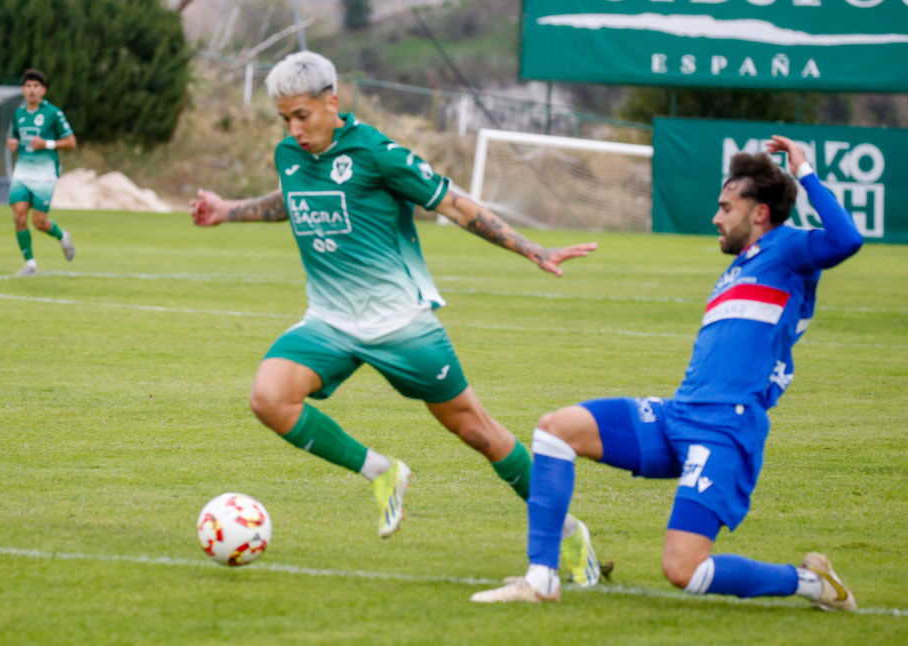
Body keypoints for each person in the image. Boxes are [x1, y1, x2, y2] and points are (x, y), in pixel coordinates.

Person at [189, 51, 603, 586]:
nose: (293, 130)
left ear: (332, 102)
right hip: (330, 321)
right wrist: (228, 210)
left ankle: (568, 532)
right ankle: (384, 474)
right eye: (284, 119)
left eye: (302, 116)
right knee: (269, 398)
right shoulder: (289, 155)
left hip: (401, 324)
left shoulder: (379, 153)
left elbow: (454, 205)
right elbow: (292, 199)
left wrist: (531, 249)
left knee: (477, 431)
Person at [471, 135, 864, 607]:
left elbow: (847, 239)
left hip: (725, 429)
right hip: (679, 415)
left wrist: (804, 170)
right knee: (555, 431)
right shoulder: (739, 268)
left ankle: (812, 583)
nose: (715, 217)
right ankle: (541, 580)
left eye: (725, 207)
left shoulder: (790, 252)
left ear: (759, 212)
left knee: (684, 571)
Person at [7, 69, 77, 276]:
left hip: (45, 174)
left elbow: (71, 142)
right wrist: (12, 143)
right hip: (22, 171)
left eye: (36, 86)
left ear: (43, 90)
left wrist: (47, 143)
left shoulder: (53, 113)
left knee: (39, 222)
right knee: (19, 216)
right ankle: (30, 264)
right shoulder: (18, 114)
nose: (31, 90)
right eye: (28, 86)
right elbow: (14, 137)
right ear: (23, 89)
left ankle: (63, 236)